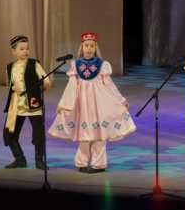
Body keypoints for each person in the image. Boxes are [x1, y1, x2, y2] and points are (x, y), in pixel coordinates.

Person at [49, 32, 136, 173]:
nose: (89, 49)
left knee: (99, 133)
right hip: (82, 104)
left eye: (91, 46)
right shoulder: (76, 65)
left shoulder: (102, 65)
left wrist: (121, 99)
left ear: (95, 48)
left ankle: (99, 164)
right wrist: (63, 104)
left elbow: (109, 85)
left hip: (98, 104)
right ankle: (81, 163)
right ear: (82, 47)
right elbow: (71, 87)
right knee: (84, 134)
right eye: (86, 45)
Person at [3, 35, 51, 170]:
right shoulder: (10, 67)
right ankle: (20, 159)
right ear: (14, 51)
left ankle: (39, 160)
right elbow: (9, 85)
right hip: (16, 105)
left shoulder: (34, 64)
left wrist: (39, 90)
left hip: (33, 104)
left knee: (38, 134)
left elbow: (46, 82)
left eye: (27, 48)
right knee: (9, 134)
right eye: (22, 49)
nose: (25, 51)